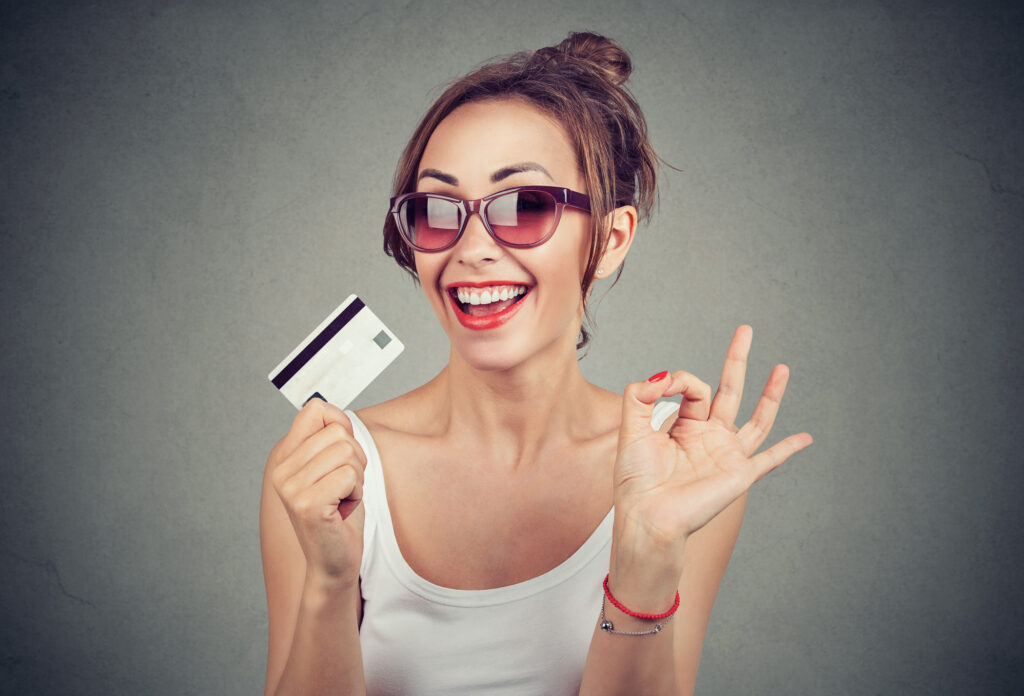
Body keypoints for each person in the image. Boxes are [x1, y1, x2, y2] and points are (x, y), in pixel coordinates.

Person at [259, 32, 813, 696]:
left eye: (523, 207)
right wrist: (328, 584)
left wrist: (645, 555)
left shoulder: (681, 471)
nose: (472, 249)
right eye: (438, 212)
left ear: (609, 241)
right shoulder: (327, 470)